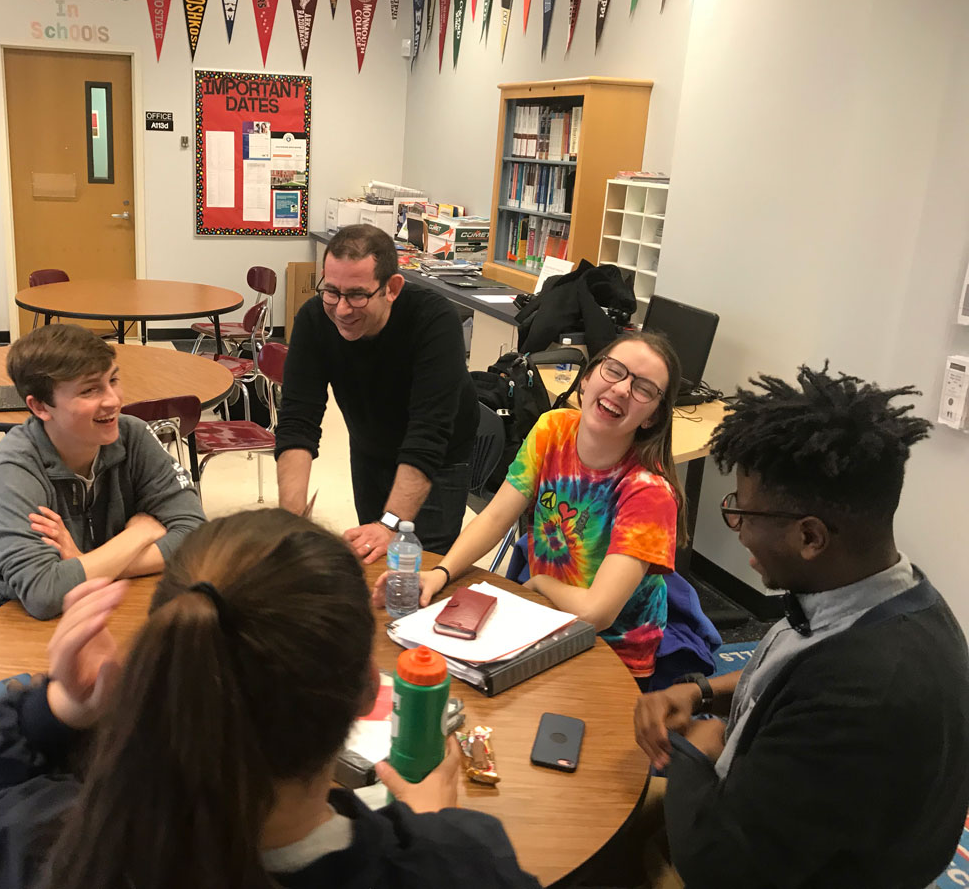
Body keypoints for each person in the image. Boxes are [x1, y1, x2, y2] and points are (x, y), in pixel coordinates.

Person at [0, 508, 538, 889]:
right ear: (366, 694)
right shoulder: (458, 867)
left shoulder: (35, 846)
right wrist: (434, 834)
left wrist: (55, 715)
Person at [633, 364, 969, 888]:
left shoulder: (864, 695)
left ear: (810, 537)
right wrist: (701, 692)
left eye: (743, 514)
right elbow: (789, 682)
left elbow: (714, 866)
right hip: (773, 823)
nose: (739, 530)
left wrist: (698, 745)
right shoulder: (888, 597)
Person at [378, 333, 686, 681]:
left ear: (652, 417)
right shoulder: (553, 428)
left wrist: (539, 583)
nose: (622, 389)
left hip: (611, 651)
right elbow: (496, 516)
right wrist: (440, 573)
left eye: (643, 389)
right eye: (614, 370)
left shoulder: (649, 492)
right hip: (543, 617)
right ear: (587, 378)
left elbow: (597, 613)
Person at [0, 323, 206, 626]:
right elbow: (43, 594)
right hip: (11, 623)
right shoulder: (12, 470)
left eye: (113, 380)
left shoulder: (133, 436)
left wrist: (83, 562)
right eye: (90, 390)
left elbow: (198, 537)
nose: (113, 400)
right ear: (40, 407)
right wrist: (138, 535)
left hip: (106, 608)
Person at [275, 223, 479, 559]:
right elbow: (298, 420)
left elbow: (428, 433)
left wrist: (390, 523)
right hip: (370, 445)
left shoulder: (433, 319)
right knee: (372, 555)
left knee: (419, 565)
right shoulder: (314, 319)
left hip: (438, 458)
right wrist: (291, 522)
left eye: (357, 295)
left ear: (392, 288)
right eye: (331, 291)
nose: (342, 309)